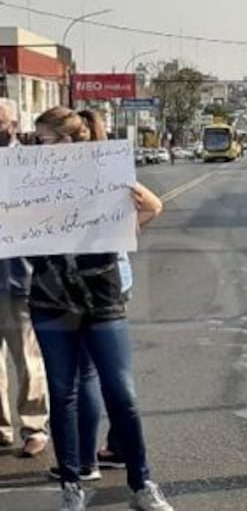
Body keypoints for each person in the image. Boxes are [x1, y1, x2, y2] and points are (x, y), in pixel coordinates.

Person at [27, 106, 173, 511]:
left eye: (45, 140)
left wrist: (139, 210)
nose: (39, 146)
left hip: (102, 298)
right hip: (50, 299)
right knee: (62, 392)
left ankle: (142, 483)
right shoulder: (31, 180)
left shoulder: (105, 174)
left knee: (121, 391)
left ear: (70, 141)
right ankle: (71, 484)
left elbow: (151, 207)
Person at [0, 99, 50, 458]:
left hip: (18, 278)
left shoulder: (32, 166)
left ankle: (33, 427)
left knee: (27, 359)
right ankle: (0, 429)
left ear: (14, 124)